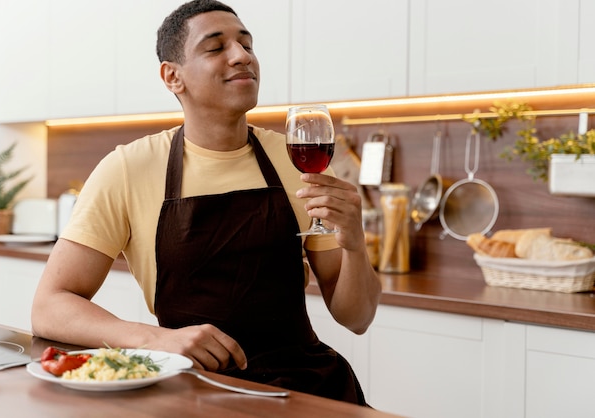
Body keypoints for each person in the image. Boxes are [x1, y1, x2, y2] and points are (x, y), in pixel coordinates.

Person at [31, 0, 381, 405]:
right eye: (216, 47)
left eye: (247, 44)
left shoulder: (294, 161)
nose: (242, 56)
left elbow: (356, 318)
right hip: (194, 392)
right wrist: (153, 339)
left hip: (305, 390)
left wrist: (355, 245)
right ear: (172, 76)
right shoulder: (128, 169)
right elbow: (49, 305)